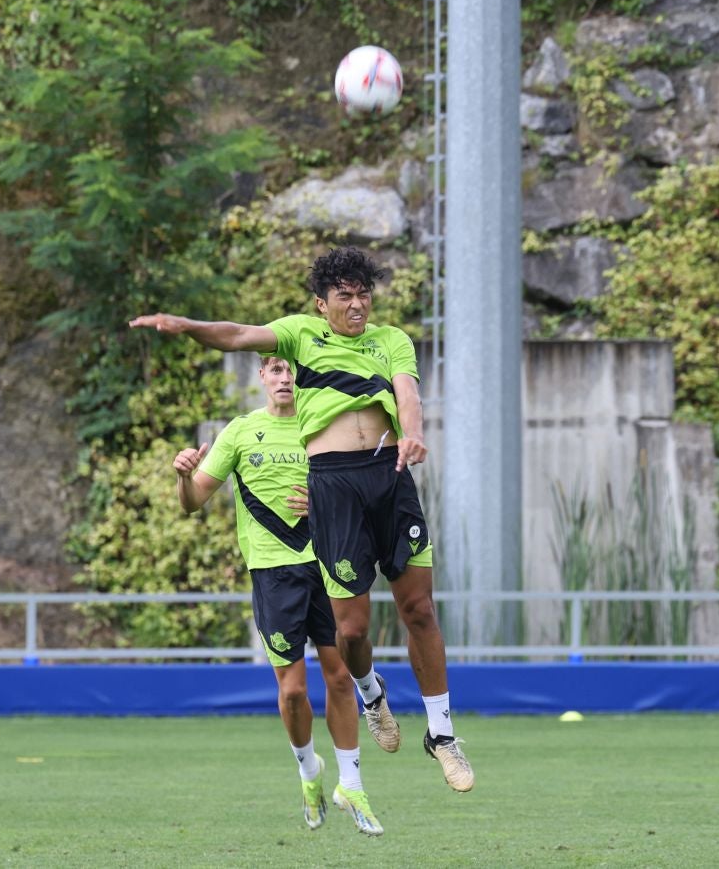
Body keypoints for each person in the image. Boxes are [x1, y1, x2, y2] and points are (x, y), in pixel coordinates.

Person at [130, 246, 474, 795]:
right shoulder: (299, 335)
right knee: (353, 631)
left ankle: (442, 733)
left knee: (419, 607)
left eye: (365, 294)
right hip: (333, 486)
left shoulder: (391, 341)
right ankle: (371, 693)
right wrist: (186, 325)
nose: (358, 304)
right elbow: (237, 334)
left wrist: (413, 431)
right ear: (322, 303)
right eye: (346, 295)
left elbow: (407, 393)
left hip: (389, 474)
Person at [172, 355, 383, 835]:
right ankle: (309, 770)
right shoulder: (242, 432)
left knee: (339, 675)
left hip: (326, 563)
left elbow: (367, 492)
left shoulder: (324, 426)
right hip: (273, 575)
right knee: (291, 692)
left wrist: (330, 499)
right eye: (275, 370)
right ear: (262, 378)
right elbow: (193, 502)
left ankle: (352, 783)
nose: (285, 378)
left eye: (292, 370)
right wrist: (184, 475)